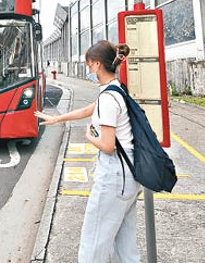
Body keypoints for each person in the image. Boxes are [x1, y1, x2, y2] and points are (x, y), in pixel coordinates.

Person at [34, 40, 140, 263]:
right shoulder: (116, 90)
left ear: (97, 64)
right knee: (124, 247)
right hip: (130, 176)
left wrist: (91, 137)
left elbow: (108, 145)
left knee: (93, 245)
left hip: (114, 177)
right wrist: (57, 118)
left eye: (88, 64)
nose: (88, 69)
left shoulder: (109, 98)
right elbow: (89, 109)